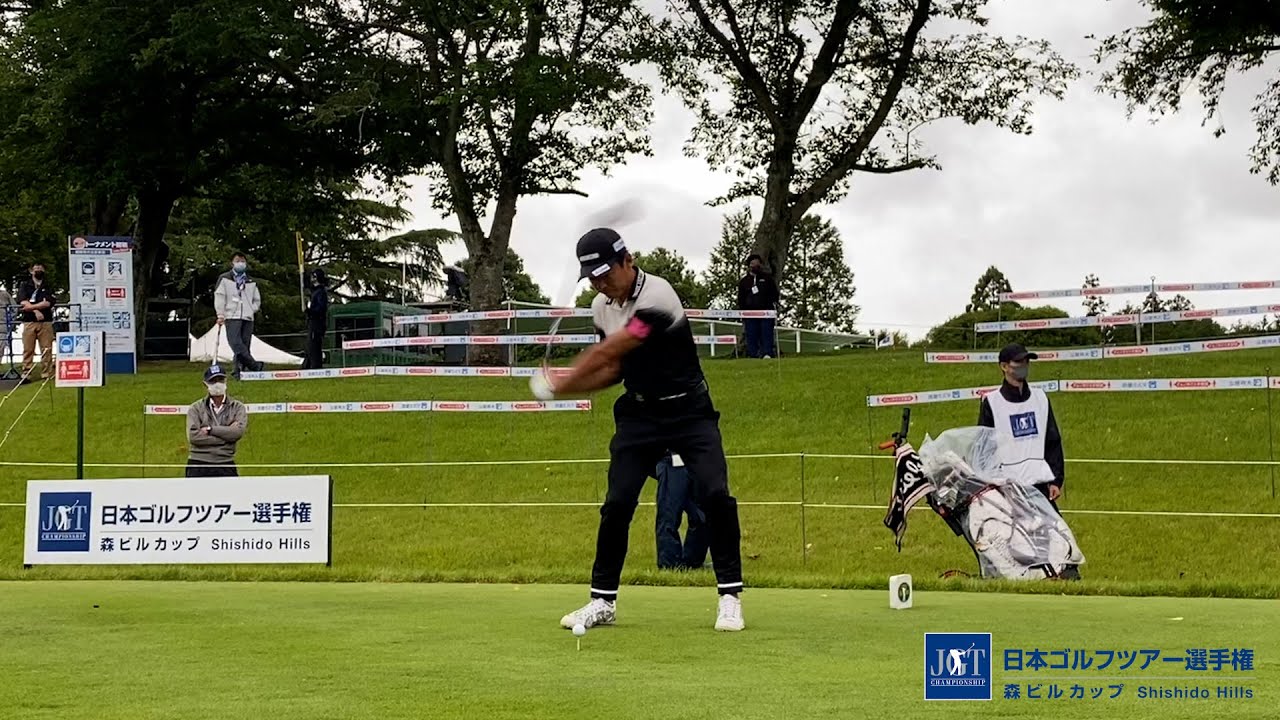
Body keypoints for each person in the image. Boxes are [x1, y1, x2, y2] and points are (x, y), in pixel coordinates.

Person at [531, 227, 746, 632]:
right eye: (592, 277)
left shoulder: (658, 296)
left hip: (689, 411)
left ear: (627, 260)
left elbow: (619, 346)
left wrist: (563, 376)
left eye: (605, 272)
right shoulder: (600, 307)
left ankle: (729, 595)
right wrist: (566, 389)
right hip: (640, 416)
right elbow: (613, 370)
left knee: (715, 493)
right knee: (617, 503)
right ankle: (602, 601)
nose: (599, 283)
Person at [977, 343, 1069, 510]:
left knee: (1056, 535)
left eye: (1027, 362)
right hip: (1008, 488)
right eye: (1018, 363)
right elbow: (985, 448)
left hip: (1039, 486)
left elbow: (1052, 440)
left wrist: (1055, 480)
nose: (1024, 367)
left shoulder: (1040, 398)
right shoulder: (991, 402)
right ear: (1004, 366)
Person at [186, 364, 248, 477]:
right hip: (198, 463)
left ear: (226, 381)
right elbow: (194, 437)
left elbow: (237, 433)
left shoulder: (238, 407)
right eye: (213, 381)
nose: (217, 384)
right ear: (205, 384)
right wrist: (226, 436)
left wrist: (210, 430)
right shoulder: (195, 408)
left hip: (225, 463)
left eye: (220, 379)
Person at [655, 451, 710, 570]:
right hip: (671, 463)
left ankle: (693, 563)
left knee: (702, 514)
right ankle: (669, 565)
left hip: (696, 460)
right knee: (669, 514)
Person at [214, 253, 263, 378]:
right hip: (231, 315)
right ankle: (254, 365)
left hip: (247, 317)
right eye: (237, 260)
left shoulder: (251, 281)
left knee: (245, 344)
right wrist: (220, 314)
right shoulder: (225, 279)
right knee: (235, 343)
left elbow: (257, 300)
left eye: (242, 261)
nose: (240, 263)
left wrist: (252, 309)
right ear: (232, 263)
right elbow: (220, 296)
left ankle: (238, 371)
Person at [17, 263, 56, 383]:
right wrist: (36, 310)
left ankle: (47, 373)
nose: (38, 270)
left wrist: (30, 306)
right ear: (31, 271)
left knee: (46, 348)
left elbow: (48, 303)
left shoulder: (48, 285)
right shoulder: (25, 285)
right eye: (36, 269)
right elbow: (23, 301)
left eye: (40, 268)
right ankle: (26, 373)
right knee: (28, 348)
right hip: (29, 321)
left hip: (46, 322)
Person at [737, 254, 779, 358]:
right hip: (750, 314)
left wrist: (772, 306)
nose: (755, 266)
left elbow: (774, 294)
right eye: (753, 264)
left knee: (766, 333)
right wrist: (743, 312)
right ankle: (753, 355)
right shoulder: (744, 282)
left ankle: (767, 353)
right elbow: (741, 298)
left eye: (757, 263)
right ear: (749, 265)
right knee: (751, 334)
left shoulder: (768, 279)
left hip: (766, 313)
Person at [302, 268, 329, 369]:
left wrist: (309, 311)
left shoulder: (321, 292)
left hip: (317, 324)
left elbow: (320, 309)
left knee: (314, 346)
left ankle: (315, 367)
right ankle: (308, 366)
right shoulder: (315, 291)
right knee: (311, 345)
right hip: (313, 322)